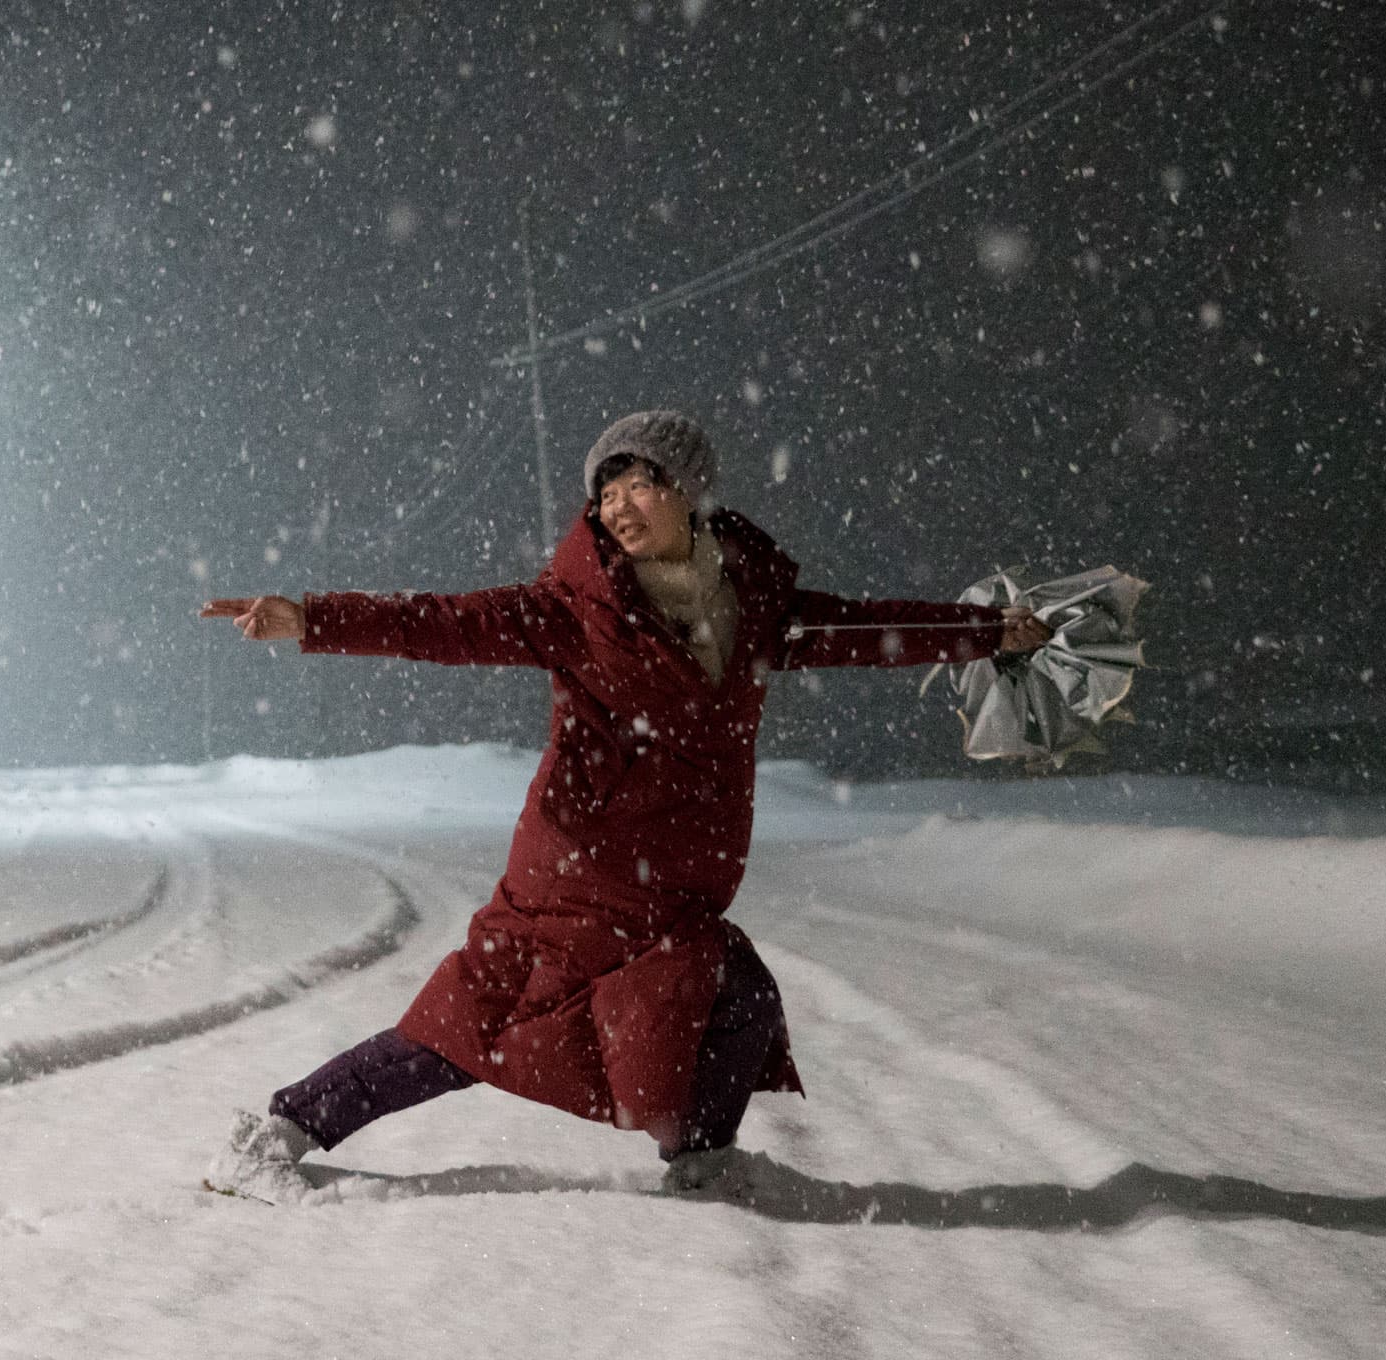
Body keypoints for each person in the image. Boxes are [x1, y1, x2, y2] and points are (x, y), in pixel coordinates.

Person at [197, 409, 1052, 1203]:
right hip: (581, 870)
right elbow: (444, 623)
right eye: (604, 494)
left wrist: (989, 633)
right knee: (477, 1025)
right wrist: (311, 619)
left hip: (676, 883)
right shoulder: (575, 610)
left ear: (688, 492)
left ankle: (702, 1165)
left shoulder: (754, 609)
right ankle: (278, 1133)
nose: (616, 506)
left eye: (637, 484)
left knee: (733, 997)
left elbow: (872, 632)